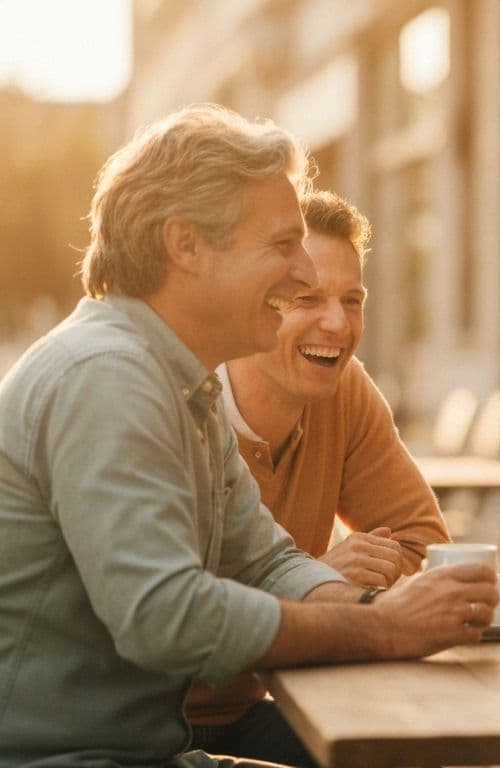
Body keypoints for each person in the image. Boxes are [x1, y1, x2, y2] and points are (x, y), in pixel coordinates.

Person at [0, 104, 496, 767]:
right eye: (281, 245)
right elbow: (166, 616)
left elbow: (268, 561)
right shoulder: (107, 378)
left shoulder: (180, 382)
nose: (301, 275)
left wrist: (389, 608)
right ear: (185, 245)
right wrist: (382, 627)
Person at [184, 191, 452, 763]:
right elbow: (172, 618)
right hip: (149, 726)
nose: (337, 324)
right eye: (307, 298)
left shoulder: (343, 388)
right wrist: (315, 584)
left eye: (352, 300)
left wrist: (330, 588)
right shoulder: (180, 404)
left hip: (264, 705)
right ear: (258, 303)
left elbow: (424, 545)